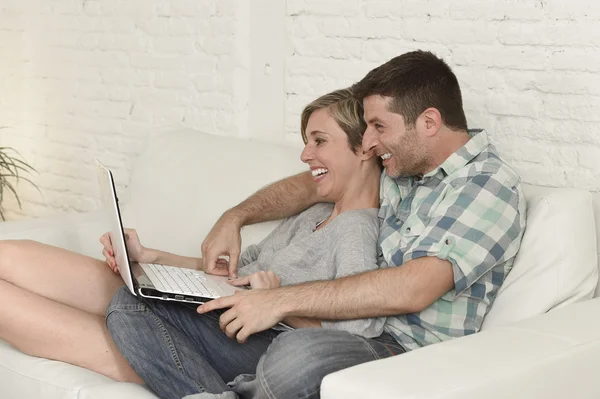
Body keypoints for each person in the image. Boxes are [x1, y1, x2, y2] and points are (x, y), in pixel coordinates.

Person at [187, 50, 526, 398]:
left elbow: (412, 289)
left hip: (405, 354)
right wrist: (235, 217)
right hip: (346, 333)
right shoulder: (404, 165)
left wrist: (279, 300)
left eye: (378, 127)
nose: (368, 142)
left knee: (297, 356)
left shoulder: (487, 187)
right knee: (152, 313)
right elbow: (307, 186)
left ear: (429, 122)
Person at [104, 88, 402, 399]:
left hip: (272, 342)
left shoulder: (357, 230)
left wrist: (278, 304)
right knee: (133, 301)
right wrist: (151, 257)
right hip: (241, 319)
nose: (305, 155)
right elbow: (237, 272)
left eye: (319, 141)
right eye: (306, 142)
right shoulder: (316, 211)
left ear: (365, 149)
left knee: (128, 305)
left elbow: (360, 332)